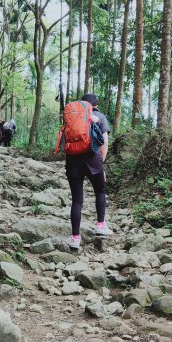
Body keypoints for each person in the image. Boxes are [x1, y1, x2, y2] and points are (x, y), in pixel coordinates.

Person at [65, 93, 113, 250]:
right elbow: (104, 141)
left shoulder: (72, 116)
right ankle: (100, 225)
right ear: (96, 104)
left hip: (72, 159)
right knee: (100, 191)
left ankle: (75, 238)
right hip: (92, 157)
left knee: (77, 200)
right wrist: (101, 164)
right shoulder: (99, 116)